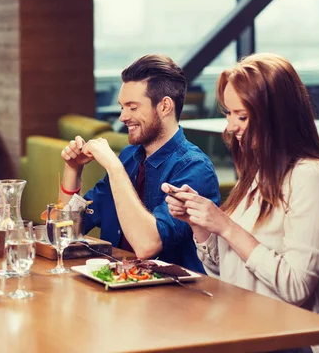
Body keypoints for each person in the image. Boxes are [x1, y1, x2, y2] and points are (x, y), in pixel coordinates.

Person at [164, 54, 319, 352]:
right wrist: (199, 224)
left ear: (276, 117)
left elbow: (296, 287)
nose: (231, 127)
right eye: (228, 113)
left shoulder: (309, 176)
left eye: (242, 116)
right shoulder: (257, 172)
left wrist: (225, 226)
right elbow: (223, 272)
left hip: (286, 341)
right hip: (241, 327)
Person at [60, 54, 219, 273]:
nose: (123, 117)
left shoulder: (194, 168)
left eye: (132, 107)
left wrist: (114, 169)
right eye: (122, 107)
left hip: (172, 299)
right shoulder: (129, 156)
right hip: (115, 286)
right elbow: (65, 230)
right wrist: (73, 168)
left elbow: (147, 246)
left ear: (164, 106)